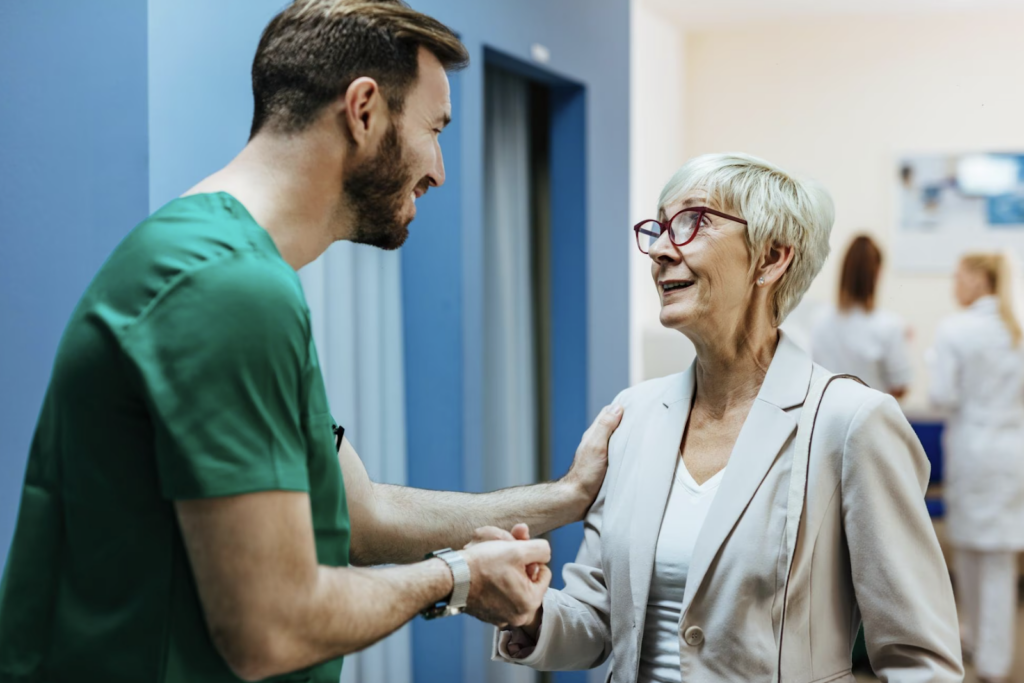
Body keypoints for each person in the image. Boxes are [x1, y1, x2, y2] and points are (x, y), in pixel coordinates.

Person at [0, 2, 623, 682]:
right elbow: (274, 624)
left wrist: (568, 496)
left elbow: (363, 514)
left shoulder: (231, 267)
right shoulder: (227, 288)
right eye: (434, 129)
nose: (439, 169)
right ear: (363, 110)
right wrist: (457, 577)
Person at [491, 153, 962, 682]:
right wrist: (528, 612)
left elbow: (923, 663)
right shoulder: (634, 417)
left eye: (694, 221)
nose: (662, 250)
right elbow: (599, 620)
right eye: (659, 227)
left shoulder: (851, 423)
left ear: (771, 258)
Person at [929, 252, 1024, 683]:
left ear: (978, 280)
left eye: (959, 275)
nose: (955, 283)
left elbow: (941, 395)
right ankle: (994, 659)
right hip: (1010, 455)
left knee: (968, 550)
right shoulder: (1015, 332)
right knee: (1001, 558)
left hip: (972, 452)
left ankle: (980, 648)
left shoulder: (956, 330)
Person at [811, 234, 912, 399]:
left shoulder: (819, 319)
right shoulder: (888, 326)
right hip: (870, 419)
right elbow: (899, 387)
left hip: (826, 417)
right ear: (877, 273)